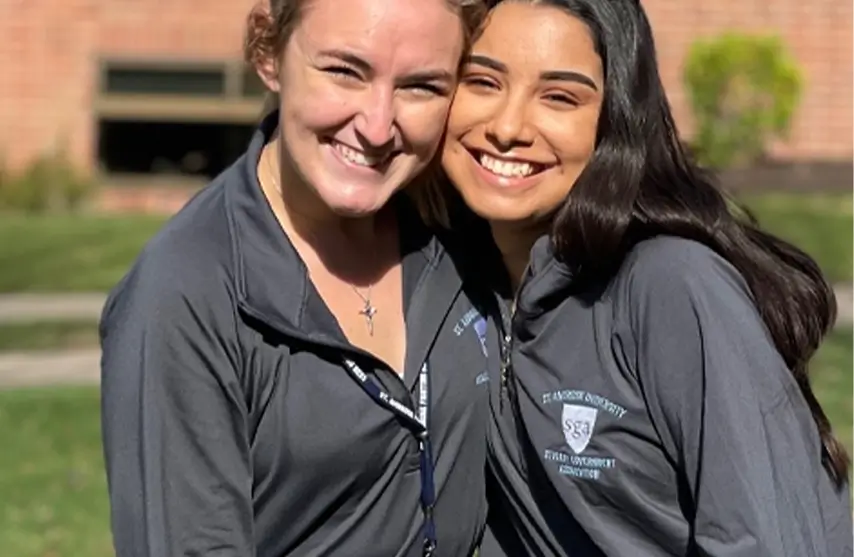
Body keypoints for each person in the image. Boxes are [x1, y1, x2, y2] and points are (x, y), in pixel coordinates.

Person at [434, 0, 853, 555]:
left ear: (614, 122)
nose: (508, 128)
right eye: (483, 81)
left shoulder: (670, 285)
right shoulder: (451, 284)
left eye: (560, 97)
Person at [99, 0, 492, 555]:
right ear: (269, 53)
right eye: (343, 71)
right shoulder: (185, 295)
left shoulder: (462, 235)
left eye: (421, 87)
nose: (377, 126)